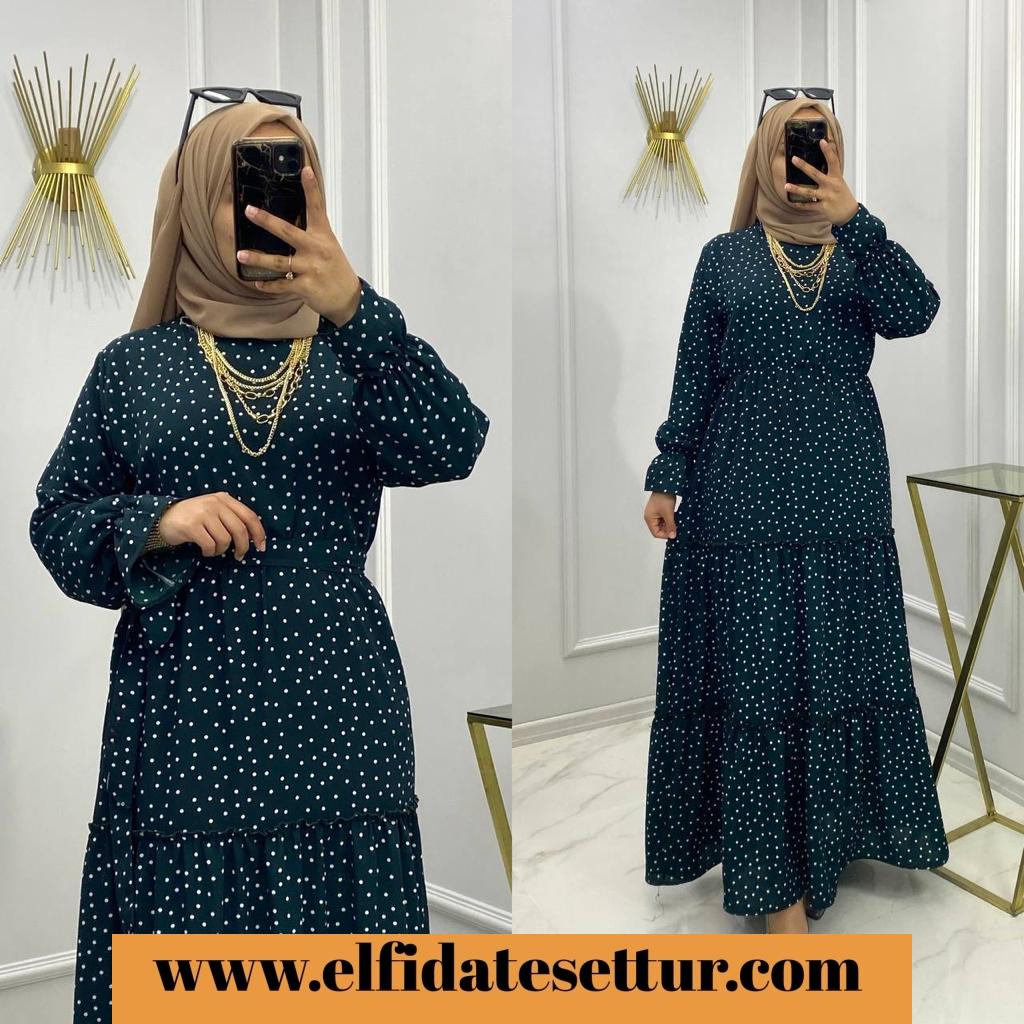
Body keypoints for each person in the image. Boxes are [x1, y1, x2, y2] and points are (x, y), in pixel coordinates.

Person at [29, 100, 489, 1022]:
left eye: (291, 179)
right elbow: (57, 524)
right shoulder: (135, 366)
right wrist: (157, 519)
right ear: (197, 198)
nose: (270, 204)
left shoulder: (357, 350)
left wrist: (355, 304)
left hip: (337, 704)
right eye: (246, 180)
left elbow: (453, 443)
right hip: (188, 710)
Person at [641, 93, 949, 934]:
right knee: (756, 671)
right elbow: (694, 371)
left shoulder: (860, 250)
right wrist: (667, 472)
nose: (801, 160)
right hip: (739, 489)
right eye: (788, 146)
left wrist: (858, 219)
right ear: (762, 157)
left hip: (842, 488)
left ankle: (825, 842)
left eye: (818, 145)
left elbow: (917, 313)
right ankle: (773, 882)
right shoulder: (725, 257)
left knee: (831, 665)